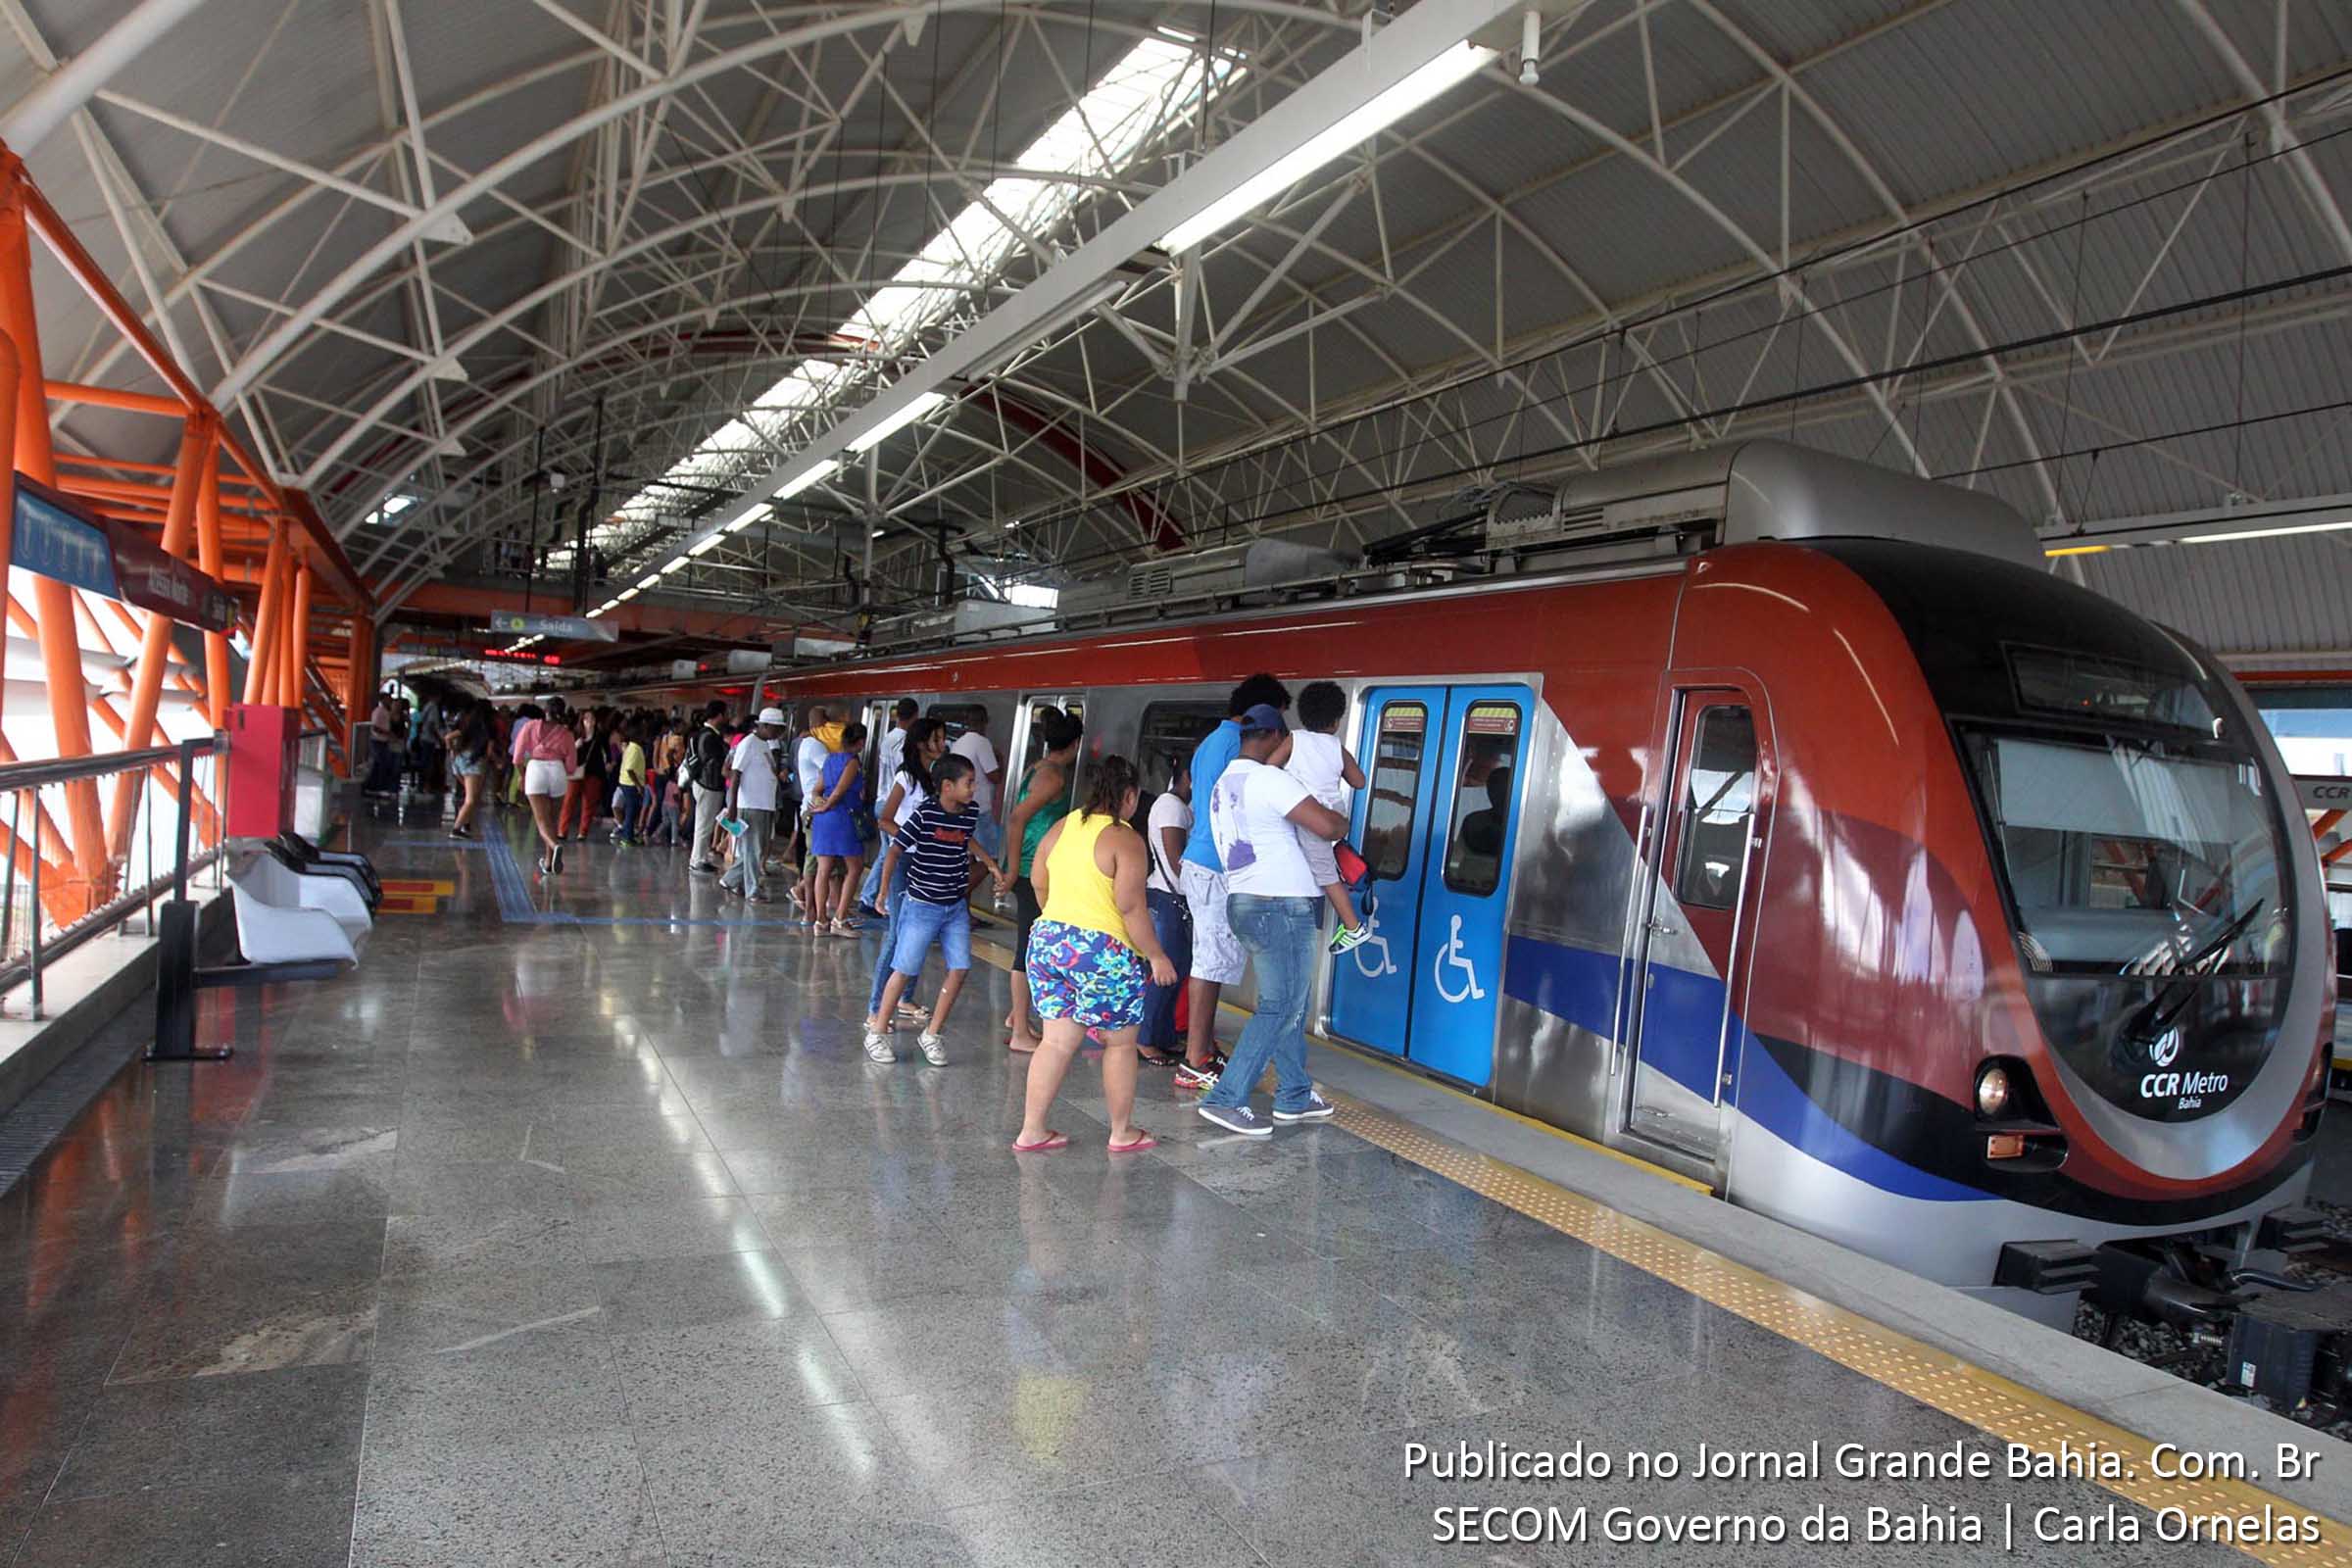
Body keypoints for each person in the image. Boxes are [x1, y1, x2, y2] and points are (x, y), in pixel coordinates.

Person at [1193, 704, 1350, 1136]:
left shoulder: (1224, 782)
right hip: (1280, 905)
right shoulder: (1270, 780)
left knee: (1288, 1004)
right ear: (1277, 737)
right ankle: (1227, 1098)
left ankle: (1295, 1094)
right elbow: (1328, 826)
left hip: (1245, 900)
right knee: (1281, 1005)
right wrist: (1338, 813)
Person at [1011, 756, 1178, 1154]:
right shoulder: (1125, 838)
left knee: (1054, 1042)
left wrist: (1063, 919)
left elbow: (1038, 881)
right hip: (1101, 950)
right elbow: (1131, 907)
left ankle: (1032, 1130)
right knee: (1120, 1044)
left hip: (1048, 941)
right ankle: (1121, 1132)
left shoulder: (1062, 826)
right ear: (1130, 796)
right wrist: (1156, 955)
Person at [1175, 673, 1291, 1092]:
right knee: (1210, 964)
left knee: (1213, 961)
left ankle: (1201, 1046)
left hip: (1208, 862)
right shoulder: (1235, 748)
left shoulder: (1214, 741)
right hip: (1216, 865)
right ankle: (1195, 1060)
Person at [865, 755, 1010, 1066]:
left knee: (960, 967)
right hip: (921, 905)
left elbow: (966, 838)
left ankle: (932, 1033)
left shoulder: (969, 812)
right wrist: (882, 891)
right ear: (947, 787)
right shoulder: (925, 815)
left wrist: (990, 863)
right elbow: (894, 850)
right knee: (903, 969)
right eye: (968, 782)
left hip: (954, 905)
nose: (974, 788)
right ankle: (877, 1031)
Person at [862, 717, 949, 1035]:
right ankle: (875, 1008)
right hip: (904, 863)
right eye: (937, 739)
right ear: (921, 743)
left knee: (920, 933)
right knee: (898, 934)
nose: (942, 744)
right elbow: (885, 819)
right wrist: (911, 837)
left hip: (927, 864)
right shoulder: (907, 777)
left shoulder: (939, 777)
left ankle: (904, 997)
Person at [1004, 709, 1080, 1055]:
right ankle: (1020, 1030)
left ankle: (1016, 1016)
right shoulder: (1054, 777)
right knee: (1027, 948)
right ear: (1075, 744)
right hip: (1034, 870)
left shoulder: (1038, 767)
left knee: (1031, 943)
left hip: (1032, 867)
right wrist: (1012, 869)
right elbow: (1018, 818)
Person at [1286, 681, 1371, 954]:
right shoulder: (1337, 746)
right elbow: (1359, 781)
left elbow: (1267, 768)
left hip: (1313, 814)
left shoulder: (1295, 739)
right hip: (1334, 811)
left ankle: (1352, 926)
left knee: (1324, 873)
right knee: (1321, 863)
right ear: (1336, 720)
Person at [1137, 757, 1192, 1064]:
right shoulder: (1171, 806)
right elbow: (1176, 860)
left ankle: (1164, 1034)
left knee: (1177, 971)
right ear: (1187, 775)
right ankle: (1145, 1040)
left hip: (1171, 899)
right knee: (1165, 972)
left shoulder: (1177, 805)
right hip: (1169, 899)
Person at [858, 699, 919, 915]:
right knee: (890, 854)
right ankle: (875, 899)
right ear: (915, 716)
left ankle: (870, 898)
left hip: (881, 800)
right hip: (894, 803)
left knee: (886, 853)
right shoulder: (904, 743)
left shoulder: (888, 738)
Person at [720, 708, 787, 901]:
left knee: (756, 848)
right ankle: (752, 890)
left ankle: (730, 879)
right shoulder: (749, 744)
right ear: (764, 726)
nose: (779, 733)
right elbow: (735, 774)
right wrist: (732, 806)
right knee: (753, 849)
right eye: (776, 729)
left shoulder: (764, 744)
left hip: (765, 805)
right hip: (750, 805)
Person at [808, 722, 868, 935]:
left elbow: (818, 789)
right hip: (843, 817)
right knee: (855, 866)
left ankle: (820, 922)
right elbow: (840, 791)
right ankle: (840, 919)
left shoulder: (830, 760)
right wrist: (828, 804)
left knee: (823, 870)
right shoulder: (852, 762)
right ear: (860, 741)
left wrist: (818, 803)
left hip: (823, 820)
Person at [513, 699, 579, 875]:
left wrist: (523, 775)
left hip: (535, 770)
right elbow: (571, 767)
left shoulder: (530, 726)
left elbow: (517, 757)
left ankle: (555, 846)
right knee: (552, 820)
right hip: (558, 771)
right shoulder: (567, 734)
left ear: (545, 710)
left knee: (542, 822)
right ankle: (549, 863)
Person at [949, 713, 1004, 889]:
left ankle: (964, 909)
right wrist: (1000, 760)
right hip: (979, 809)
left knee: (969, 859)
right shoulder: (982, 742)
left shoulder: (958, 743)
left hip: (961, 807)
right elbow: (994, 775)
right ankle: (959, 896)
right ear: (984, 723)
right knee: (990, 858)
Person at [789, 706, 832, 914]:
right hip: (816, 808)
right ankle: (806, 899)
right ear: (821, 723)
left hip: (810, 806)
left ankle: (810, 903)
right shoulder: (815, 746)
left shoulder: (806, 743)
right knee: (817, 858)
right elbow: (831, 771)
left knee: (814, 857)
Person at [686, 702, 731, 873]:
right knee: (704, 825)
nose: (727, 717)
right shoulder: (709, 736)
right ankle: (697, 860)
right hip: (708, 785)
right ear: (718, 715)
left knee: (704, 823)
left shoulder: (704, 734)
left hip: (704, 784)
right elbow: (712, 760)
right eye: (725, 714)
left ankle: (699, 857)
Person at [559, 708, 612, 841]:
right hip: (576, 771)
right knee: (569, 801)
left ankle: (583, 832)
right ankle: (562, 831)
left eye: (592, 718)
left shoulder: (600, 735)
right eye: (586, 718)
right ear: (581, 720)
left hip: (593, 771)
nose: (590, 721)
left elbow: (607, 751)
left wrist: (609, 762)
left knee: (589, 802)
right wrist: (575, 746)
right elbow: (565, 752)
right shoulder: (575, 734)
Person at [444, 699, 494, 840]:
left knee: (471, 796)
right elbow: (489, 752)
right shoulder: (489, 728)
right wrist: (497, 761)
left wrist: (452, 751)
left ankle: (466, 824)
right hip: (475, 763)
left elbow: (447, 737)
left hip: (460, 762)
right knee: (471, 799)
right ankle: (456, 829)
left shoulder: (469, 726)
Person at [610, 716, 650, 847]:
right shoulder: (635, 748)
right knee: (631, 812)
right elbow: (630, 769)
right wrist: (638, 785)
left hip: (626, 782)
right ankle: (627, 838)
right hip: (631, 784)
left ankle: (629, 835)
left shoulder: (631, 747)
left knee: (631, 811)